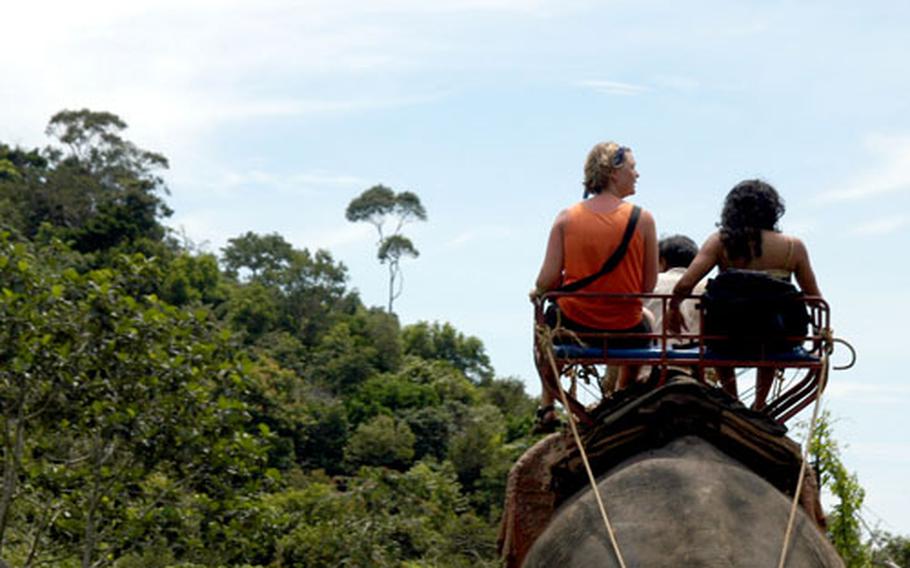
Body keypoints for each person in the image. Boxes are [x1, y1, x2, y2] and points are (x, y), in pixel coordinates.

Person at [533, 141, 658, 430]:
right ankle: (622, 396)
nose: (637, 174)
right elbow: (648, 286)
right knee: (648, 319)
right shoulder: (644, 220)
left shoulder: (566, 218)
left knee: (545, 328)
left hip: (574, 326)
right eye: (632, 168)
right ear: (614, 172)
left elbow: (545, 281)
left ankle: (547, 404)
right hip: (625, 329)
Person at [668, 179, 822, 410]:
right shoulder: (793, 247)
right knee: (769, 319)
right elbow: (814, 298)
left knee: (720, 322)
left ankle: (732, 397)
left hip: (727, 335)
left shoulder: (721, 242)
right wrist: (822, 332)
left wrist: (673, 309)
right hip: (775, 338)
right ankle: (760, 404)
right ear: (774, 210)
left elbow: (685, 284)